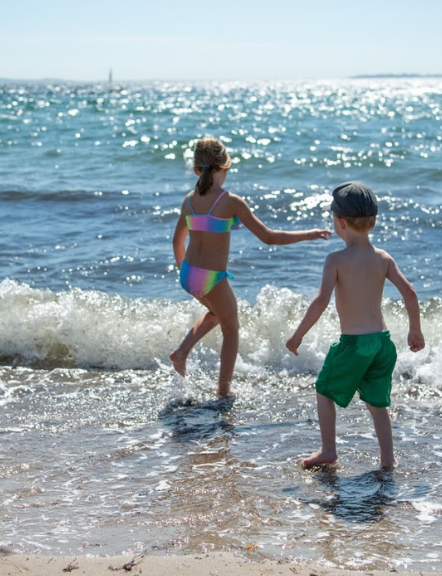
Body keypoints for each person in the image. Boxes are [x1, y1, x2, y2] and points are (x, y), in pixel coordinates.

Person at [171, 137, 331, 397]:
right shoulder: (229, 200)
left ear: (196, 169)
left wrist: (185, 272)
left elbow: (177, 240)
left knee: (216, 314)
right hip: (212, 277)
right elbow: (268, 237)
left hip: (189, 273)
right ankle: (224, 390)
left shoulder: (188, 200)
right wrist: (309, 234)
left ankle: (181, 352)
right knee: (231, 329)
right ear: (225, 167)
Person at [286, 181, 425, 470]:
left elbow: (321, 301)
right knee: (377, 403)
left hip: (354, 345)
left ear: (340, 222)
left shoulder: (335, 260)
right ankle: (388, 460)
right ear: (371, 221)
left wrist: (297, 335)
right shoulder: (383, 258)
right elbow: (410, 292)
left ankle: (328, 450)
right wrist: (415, 329)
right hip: (382, 344)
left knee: (324, 390)